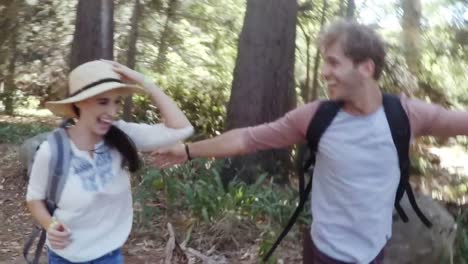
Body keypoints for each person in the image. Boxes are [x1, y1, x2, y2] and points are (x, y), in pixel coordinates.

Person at [152, 19, 468, 264]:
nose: (324, 73)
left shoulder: (407, 115)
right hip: (324, 252)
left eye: (333, 62)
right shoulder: (316, 117)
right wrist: (188, 151)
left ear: (366, 68)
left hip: (374, 251)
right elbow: (247, 138)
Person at [26, 59, 194, 263]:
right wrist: (50, 225)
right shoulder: (53, 148)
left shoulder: (122, 135)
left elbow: (182, 128)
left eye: (117, 102)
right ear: (79, 102)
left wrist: (145, 81)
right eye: (103, 102)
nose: (113, 112)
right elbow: (35, 197)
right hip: (65, 255)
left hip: (109, 255)